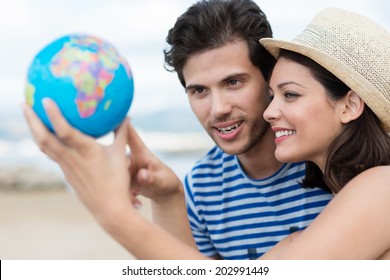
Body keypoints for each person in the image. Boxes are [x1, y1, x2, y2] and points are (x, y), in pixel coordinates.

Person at [23, 6, 390, 259]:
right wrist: (168, 199)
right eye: (198, 90)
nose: (217, 108)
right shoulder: (202, 185)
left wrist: (115, 215)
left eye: (233, 82)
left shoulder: (374, 186)